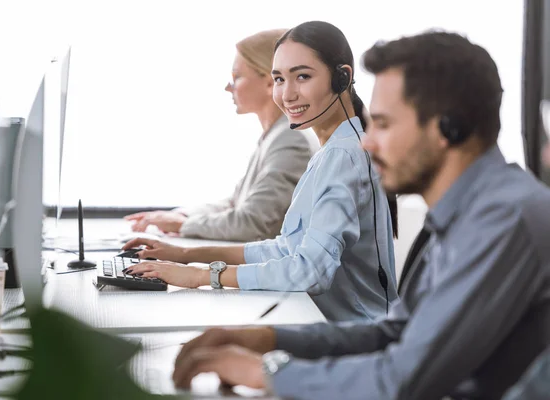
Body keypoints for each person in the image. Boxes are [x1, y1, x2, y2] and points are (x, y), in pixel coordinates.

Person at [168, 29, 550, 399]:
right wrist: (271, 339)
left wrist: (266, 372)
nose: (367, 140)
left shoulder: (503, 218)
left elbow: (399, 380)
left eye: (382, 124)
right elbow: (394, 331)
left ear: (447, 128)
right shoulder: (466, 214)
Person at [121, 21, 399, 322]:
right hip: (331, 325)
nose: (287, 94)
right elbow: (287, 248)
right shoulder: (335, 150)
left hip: (355, 336)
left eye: (302, 76)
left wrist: (201, 276)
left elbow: (310, 271)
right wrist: (187, 255)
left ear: (342, 77)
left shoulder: (344, 156)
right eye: (279, 79)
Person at [124, 29, 319, 242]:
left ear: (270, 83)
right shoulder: (275, 135)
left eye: (237, 76)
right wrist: (180, 215)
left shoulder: (291, 140)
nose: (228, 86)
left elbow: (251, 224)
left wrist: (183, 225)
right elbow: (235, 203)